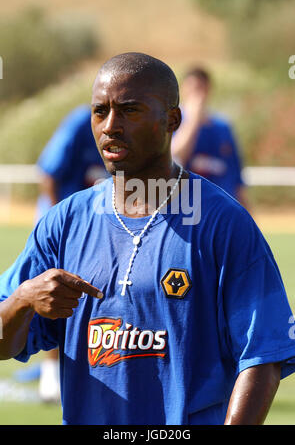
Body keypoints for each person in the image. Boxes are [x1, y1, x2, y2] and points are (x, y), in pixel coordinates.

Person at [0, 52, 295, 425]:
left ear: (172, 120)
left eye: (129, 110)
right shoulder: (64, 222)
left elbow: (263, 357)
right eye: (100, 111)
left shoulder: (224, 223)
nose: (110, 126)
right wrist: (24, 299)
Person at [17, 105, 107, 402]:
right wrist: (62, 224)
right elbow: (48, 173)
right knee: (56, 298)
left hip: (96, 228)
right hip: (62, 229)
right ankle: (50, 376)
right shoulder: (78, 124)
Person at [172, 67, 247, 207]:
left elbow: (235, 175)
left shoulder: (223, 126)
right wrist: (193, 120)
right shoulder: (174, 121)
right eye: (192, 88)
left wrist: (248, 213)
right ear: (183, 89)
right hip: (191, 205)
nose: (197, 93)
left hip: (223, 205)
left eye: (201, 88)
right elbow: (177, 154)